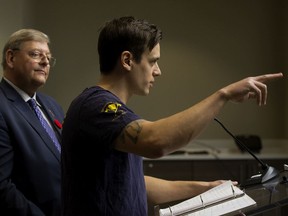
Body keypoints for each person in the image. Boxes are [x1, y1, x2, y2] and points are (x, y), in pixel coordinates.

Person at [61, 16, 283, 216]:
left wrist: (206, 189)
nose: (158, 71)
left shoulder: (111, 110)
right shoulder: (95, 107)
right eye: (153, 61)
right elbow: (157, 142)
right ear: (127, 60)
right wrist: (222, 96)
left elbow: (137, 184)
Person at [0, 29, 64, 215]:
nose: (45, 62)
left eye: (48, 58)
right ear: (11, 58)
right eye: (36, 54)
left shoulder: (52, 105)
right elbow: (2, 186)